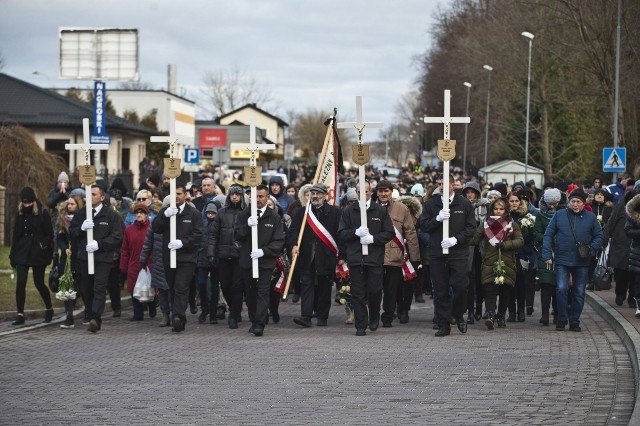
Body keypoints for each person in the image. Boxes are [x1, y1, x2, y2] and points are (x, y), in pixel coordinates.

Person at [419, 175, 476, 337]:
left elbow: (471, 228)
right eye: (439, 184)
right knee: (440, 290)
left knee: (460, 287)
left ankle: (458, 314)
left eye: (444, 184)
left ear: (453, 185)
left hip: (458, 252)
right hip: (437, 253)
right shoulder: (431, 204)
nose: (441, 187)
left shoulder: (464, 204)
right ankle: (443, 324)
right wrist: (437, 219)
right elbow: (424, 226)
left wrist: (455, 239)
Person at [337, 181, 394, 336]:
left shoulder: (380, 211)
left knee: (375, 291)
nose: (363, 194)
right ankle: (361, 324)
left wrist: (373, 239)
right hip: (356, 259)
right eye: (359, 192)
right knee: (358, 293)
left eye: (366, 191)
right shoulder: (349, 211)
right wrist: (355, 232)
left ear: (371, 192)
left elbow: (389, 233)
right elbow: (342, 233)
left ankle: (374, 315)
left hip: (374, 259)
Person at [543, 189, 603, 331]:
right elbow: (548, 235)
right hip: (562, 259)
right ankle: (562, 318)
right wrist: (547, 254)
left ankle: (574, 320)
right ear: (569, 202)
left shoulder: (591, 217)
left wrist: (592, 249)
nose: (575, 204)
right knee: (561, 288)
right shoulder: (559, 215)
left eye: (578, 202)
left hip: (582, 261)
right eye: (573, 201)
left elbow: (599, 235)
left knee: (579, 291)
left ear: (583, 204)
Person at [69, 184, 124, 333]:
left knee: (99, 288)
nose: (90, 197)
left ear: (101, 197)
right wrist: (81, 228)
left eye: (93, 194)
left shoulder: (110, 215)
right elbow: (71, 233)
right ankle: (90, 310)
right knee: (85, 288)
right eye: (88, 194)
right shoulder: (81, 214)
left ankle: (95, 318)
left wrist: (99, 244)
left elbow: (117, 236)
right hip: (84, 258)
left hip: (102, 259)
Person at [287, 182, 342, 327]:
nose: (315, 196)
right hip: (307, 255)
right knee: (306, 285)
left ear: (325, 196)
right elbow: (293, 230)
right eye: (313, 193)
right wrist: (294, 245)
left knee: (324, 286)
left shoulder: (335, 213)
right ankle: (306, 316)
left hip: (326, 256)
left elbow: (340, 235)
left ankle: (322, 316)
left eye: (319, 194)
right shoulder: (302, 212)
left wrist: (342, 256)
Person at [234, 184, 285, 337]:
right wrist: (247, 226)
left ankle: (260, 323)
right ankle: (253, 319)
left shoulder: (274, 217)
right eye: (254, 196)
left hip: (265, 262)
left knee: (263, 292)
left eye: (261, 196)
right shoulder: (244, 214)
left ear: (267, 197)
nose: (257, 199)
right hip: (247, 261)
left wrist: (264, 251)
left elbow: (278, 241)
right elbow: (237, 236)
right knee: (250, 293)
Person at [152, 184, 203, 333]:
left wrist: (183, 242)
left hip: (187, 258)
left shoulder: (193, 213)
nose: (176, 197)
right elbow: (155, 228)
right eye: (174, 194)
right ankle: (178, 316)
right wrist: (164, 215)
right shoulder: (165, 212)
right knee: (173, 287)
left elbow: (198, 234)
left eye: (179, 194)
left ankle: (178, 317)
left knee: (181, 286)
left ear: (185, 195)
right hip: (169, 257)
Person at [470, 198, 524, 329]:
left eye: (501, 209)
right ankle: (490, 315)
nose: (498, 211)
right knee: (489, 289)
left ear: (505, 210)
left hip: (507, 262)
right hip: (490, 261)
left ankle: (501, 315)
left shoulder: (512, 224)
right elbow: (474, 240)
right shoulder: (485, 224)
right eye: (496, 209)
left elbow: (520, 240)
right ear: (491, 209)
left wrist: (505, 245)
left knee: (505, 290)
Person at [375, 180, 420, 327]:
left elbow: (410, 232)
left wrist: (414, 257)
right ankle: (374, 316)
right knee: (374, 289)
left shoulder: (401, 208)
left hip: (395, 255)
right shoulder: (370, 208)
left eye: (386, 191)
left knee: (391, 289)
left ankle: (388, 316)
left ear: (391, 192)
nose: (383, 194)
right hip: (374, 255)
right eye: (380, 191)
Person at [9, 187, 55, 325]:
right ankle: (20, 314)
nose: (26, 205)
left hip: (37, 252)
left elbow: (49, 234)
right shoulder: (20, 213)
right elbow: (16, 235)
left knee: (38, 282)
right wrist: (13, 254)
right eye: (24, 203)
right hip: (22, 251)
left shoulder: (42, 213)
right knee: (20, 283)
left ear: (33, 201)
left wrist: (43, 245)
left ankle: (49, 308)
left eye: (29, 203)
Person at [210, 184, 246, 329]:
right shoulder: (221, 213)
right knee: (225, 285)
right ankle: (234, 308)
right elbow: (213, 234)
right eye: (232, 194)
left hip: (239, 256)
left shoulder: (245, 213)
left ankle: (234, 315)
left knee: (237, 287)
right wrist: (211, 252)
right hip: (224, 255)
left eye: (237, 194)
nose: (235, 196)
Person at [534, 188, 564, 325]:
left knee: (558, 286)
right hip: (545, 252)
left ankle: (557, 313)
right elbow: (537, 232)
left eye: (555, 203)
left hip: (561, 252)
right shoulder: (541, 215)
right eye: (549, 203)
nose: (552, 206)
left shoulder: (564, 214)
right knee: (546, 285)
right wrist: (547, 238)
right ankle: (545, 314)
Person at [507, 190, 538, 322]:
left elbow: (532, 237)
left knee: (521, 284)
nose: (514, 203)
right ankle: (511, 312)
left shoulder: (527, 216)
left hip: (523, 253)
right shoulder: (504, 215)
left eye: (516, 201)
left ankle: (521, 310)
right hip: (507, 254)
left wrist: (527, 232)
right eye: (511, 201)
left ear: (520, 202)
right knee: (508, 285)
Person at [119, 203, 153, 321]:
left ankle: (152, 306)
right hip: (133, 263)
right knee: (133, 288)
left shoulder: (151, 228)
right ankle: (137, 314)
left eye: (142, 213)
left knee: (150, 287)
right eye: (137, 213)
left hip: (149, 263)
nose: (139, 215)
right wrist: (123, 266)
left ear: (146, 215)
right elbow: (125, 249)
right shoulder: (129, 230)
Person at [462, 181, 490, 324]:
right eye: (467, 192)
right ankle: (471, 311)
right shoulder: (463, 206)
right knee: (470, 278)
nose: (470, 195)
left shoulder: (485, 205)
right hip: (469, 246)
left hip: (483, 246)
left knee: (481, 278)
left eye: (472, 192)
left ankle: (479, 306)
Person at [140, 196, 170, 327]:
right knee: (163, 290)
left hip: (176, 261)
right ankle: (165, 315)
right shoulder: (157, 221)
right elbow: (148, 241)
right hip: (160, 261)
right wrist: (143, 258)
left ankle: (176, 314)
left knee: (176, 289)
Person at [55, 194, 85, 329]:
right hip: (67, 257)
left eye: (73, 204)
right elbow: (60, 237)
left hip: (79, 256)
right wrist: (64, 248)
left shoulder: (82, 218)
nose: (70, 206)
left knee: (81, 285)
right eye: (69, 204)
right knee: (66, 285)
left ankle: (87, 312)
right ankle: (69, 316)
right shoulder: (63, 219)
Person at [603, 191, 634, 307]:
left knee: (634, 275)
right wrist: (604, 241)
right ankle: (620, 294)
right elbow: (611, 222)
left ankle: (633, 298)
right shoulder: (622, 205)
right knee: (621, 273)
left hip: (635, 246)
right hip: (620, 244)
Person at [196, 201, 219, 324]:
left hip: (215, 260)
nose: (210, 215)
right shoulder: (201, 224)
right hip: (202, 258)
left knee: (215, 288)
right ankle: (205, 308)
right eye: (208, 213)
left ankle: (213, 313)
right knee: (201, 284)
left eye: (213, 213)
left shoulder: (218, 224)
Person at [624, 194, 640, 316]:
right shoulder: (634, 213)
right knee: (638, 280)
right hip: (637, 251)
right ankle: (639, 304)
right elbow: (628, 231)